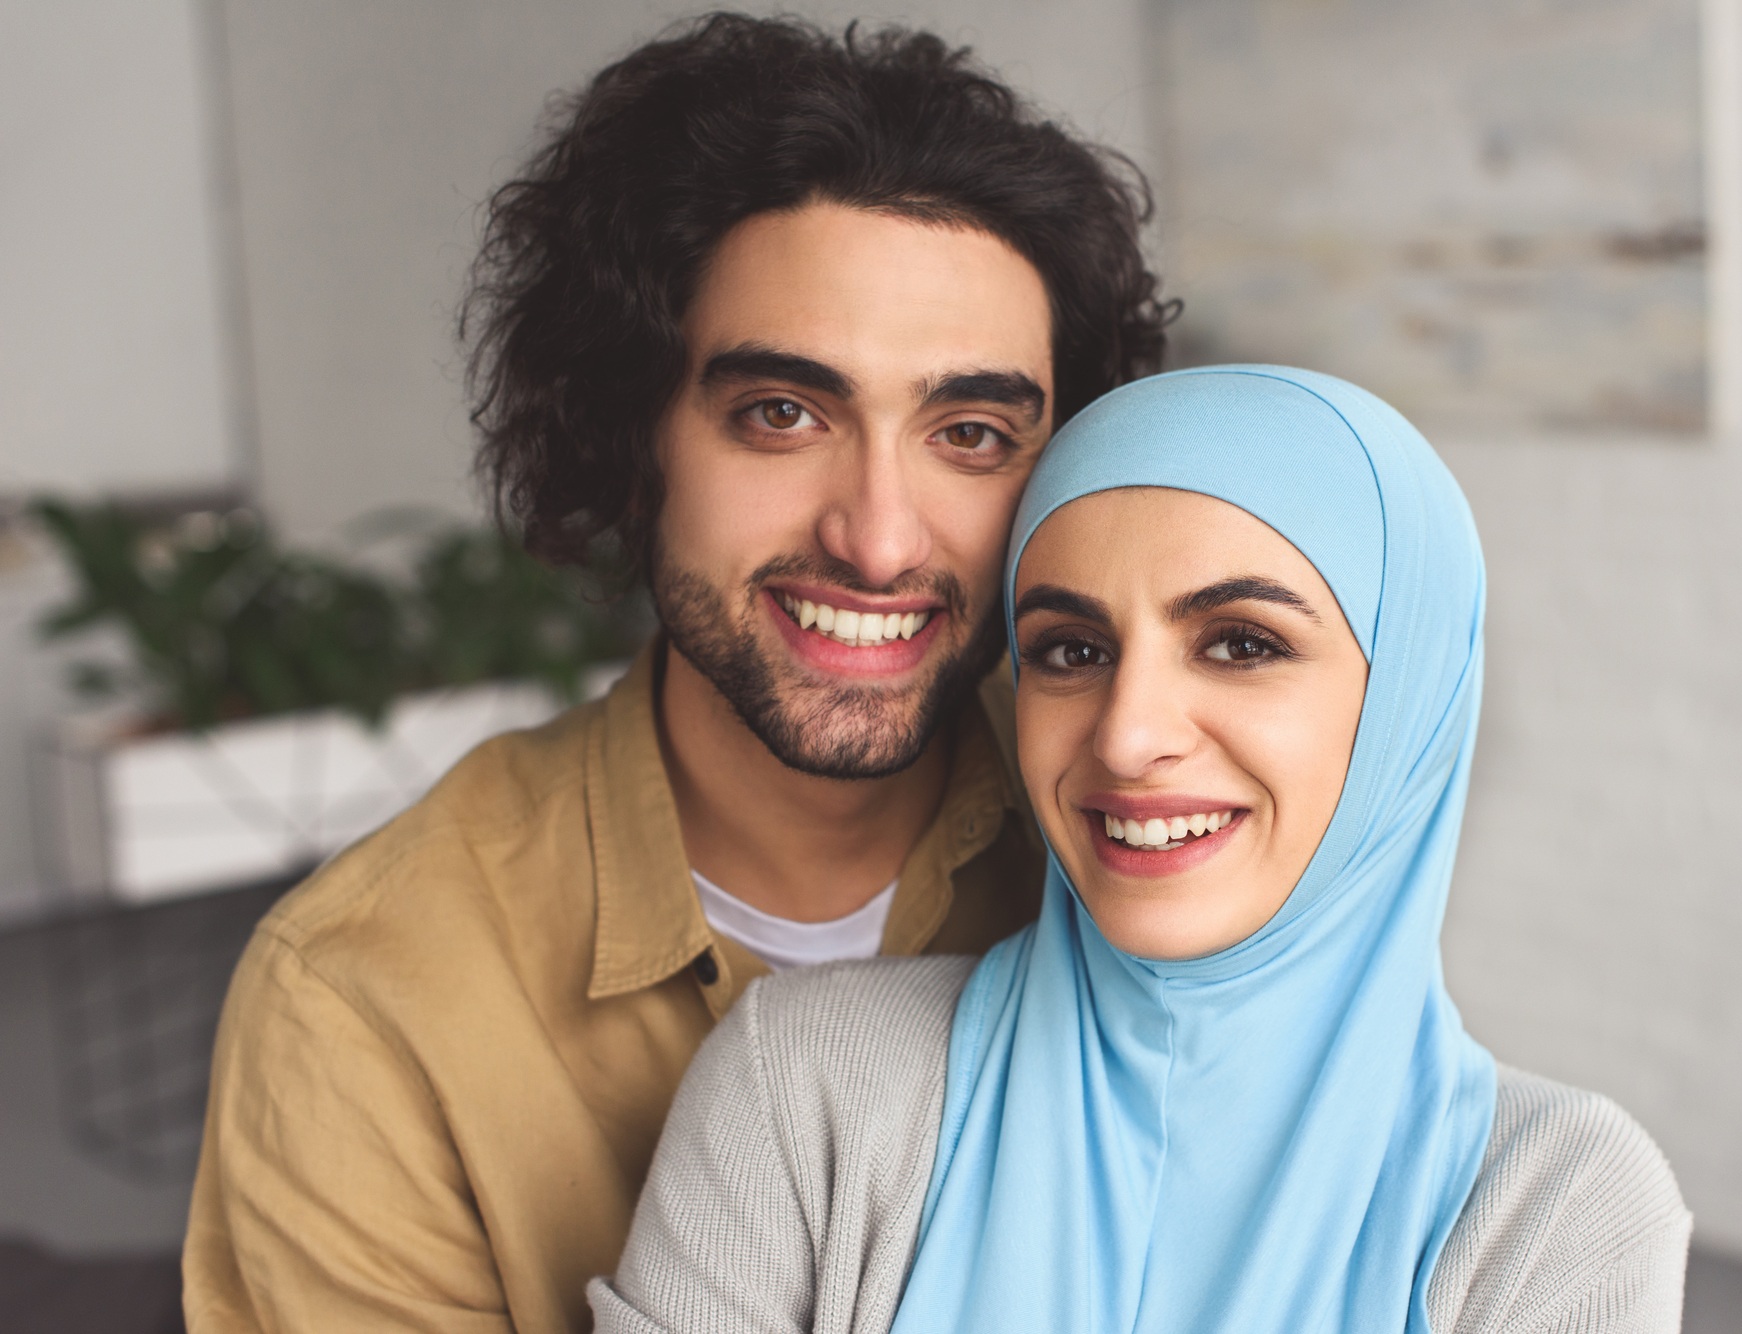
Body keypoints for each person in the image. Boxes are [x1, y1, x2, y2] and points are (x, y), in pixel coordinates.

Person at [182, 14, 1173, 1333]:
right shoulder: (367, 995)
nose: (878, 537)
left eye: (972, 433)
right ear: (629, 434)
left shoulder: (1154, 844)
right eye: (783, 414)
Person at [592, 366, 1693, 1334]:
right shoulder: (806, 1084)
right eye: (1071, 650)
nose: (1125, 736)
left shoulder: (1552, 1202)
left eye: (1240, 643)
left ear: (1406, 697)